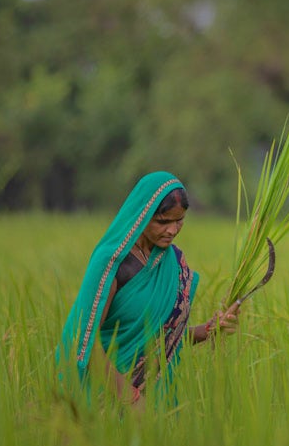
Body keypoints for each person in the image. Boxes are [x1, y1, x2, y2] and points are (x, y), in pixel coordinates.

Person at [57, 171, 238, 407]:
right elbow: (86, 341)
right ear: (142, 215)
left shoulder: (171, 261)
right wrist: (130, 399)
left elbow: (162, 338)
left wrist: (207, 330)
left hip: (156, 400)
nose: (173, 230)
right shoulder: (111, 263)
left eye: (179, 220)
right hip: (106, 397)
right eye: (163, 222)